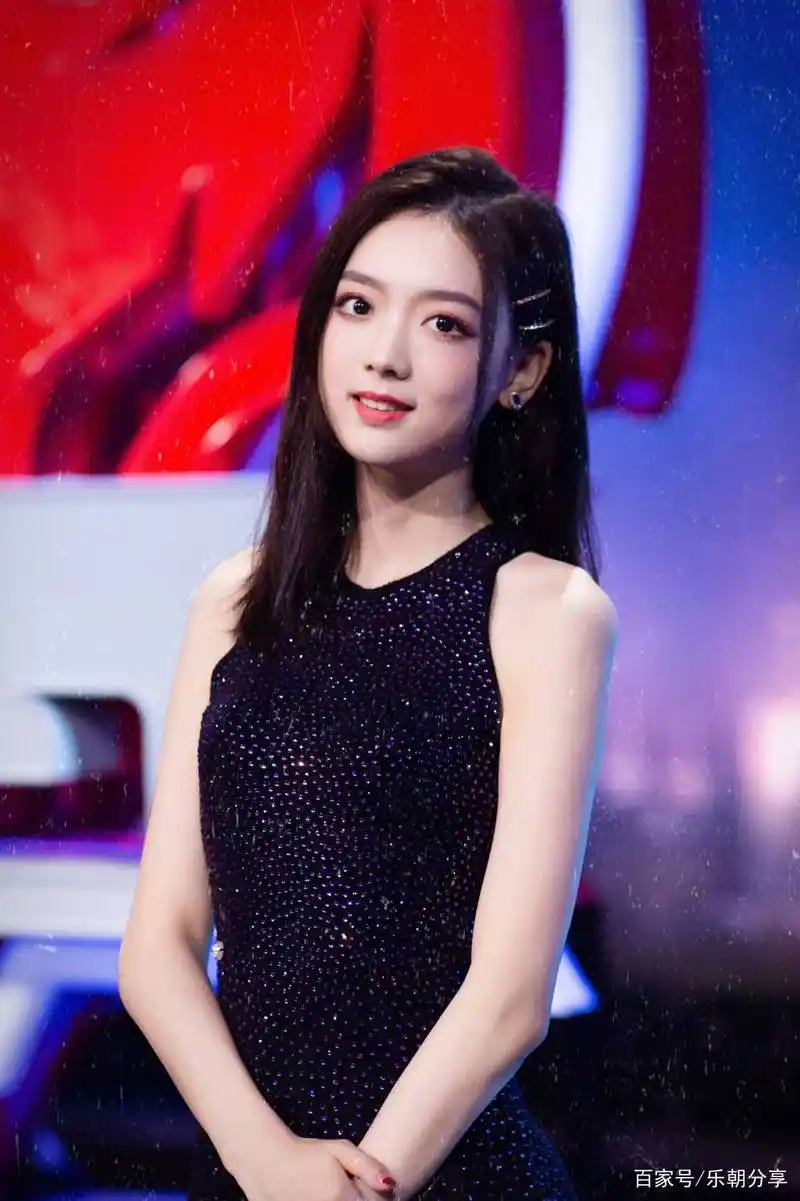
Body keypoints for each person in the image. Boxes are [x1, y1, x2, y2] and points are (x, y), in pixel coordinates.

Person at [118, 145, 618, 1201]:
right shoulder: (234, 598)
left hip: (443, 1175)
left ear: (522, 371)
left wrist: (357, 1186)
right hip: (249, 1171)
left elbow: (509, 998)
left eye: (444, 324)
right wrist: (264, 1160)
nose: (384, 355)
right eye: (358, 305)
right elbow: (158, 944)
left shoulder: (545, 612)